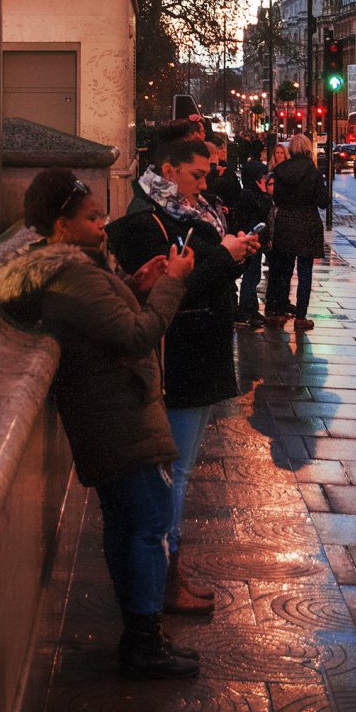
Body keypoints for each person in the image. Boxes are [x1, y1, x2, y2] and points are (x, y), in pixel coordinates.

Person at [0, 169, 198, 679]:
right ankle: (144, 641)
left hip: (107, 413)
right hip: (119, 414)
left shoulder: (70, 268)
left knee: (127, 525)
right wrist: (172, 284)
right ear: (61, 226)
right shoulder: (73, 275)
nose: (103, 225)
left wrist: (135, 285)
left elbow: (103, 321)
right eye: (92, 217)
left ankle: (139, 632)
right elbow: (136, 336)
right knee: (149, 524)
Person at [107, 137, 258, 614]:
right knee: (175, 471)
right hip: (182, 358)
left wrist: (235, 253)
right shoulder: (146, 221)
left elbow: (199, 275)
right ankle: (165, 577)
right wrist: (225, 256)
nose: (205, 182)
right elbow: (174, 286)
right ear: (168, 171)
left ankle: (170, 573)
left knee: (180, 467)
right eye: (197, 173)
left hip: (202, 352)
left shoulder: (190, 209)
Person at [264, 132, 329, 330]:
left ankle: (280, 312)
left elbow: (277, 199)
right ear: (308, 149)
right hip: (308, 223)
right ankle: (301, 316)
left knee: (284, 270)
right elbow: (323, 202)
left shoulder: (280, 170)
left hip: (285, 222)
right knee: (305, 272)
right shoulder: (313, 172)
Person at [233, 158, 272, 329]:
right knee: (251, 275)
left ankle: (252, 308)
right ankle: (245, 310)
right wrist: (265, 193)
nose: (265, 180)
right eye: (262, 177)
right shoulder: (249, 194)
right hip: (251, 238)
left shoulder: (251, 193)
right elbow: (262, 210)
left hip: (257, 238)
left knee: (254, 275)